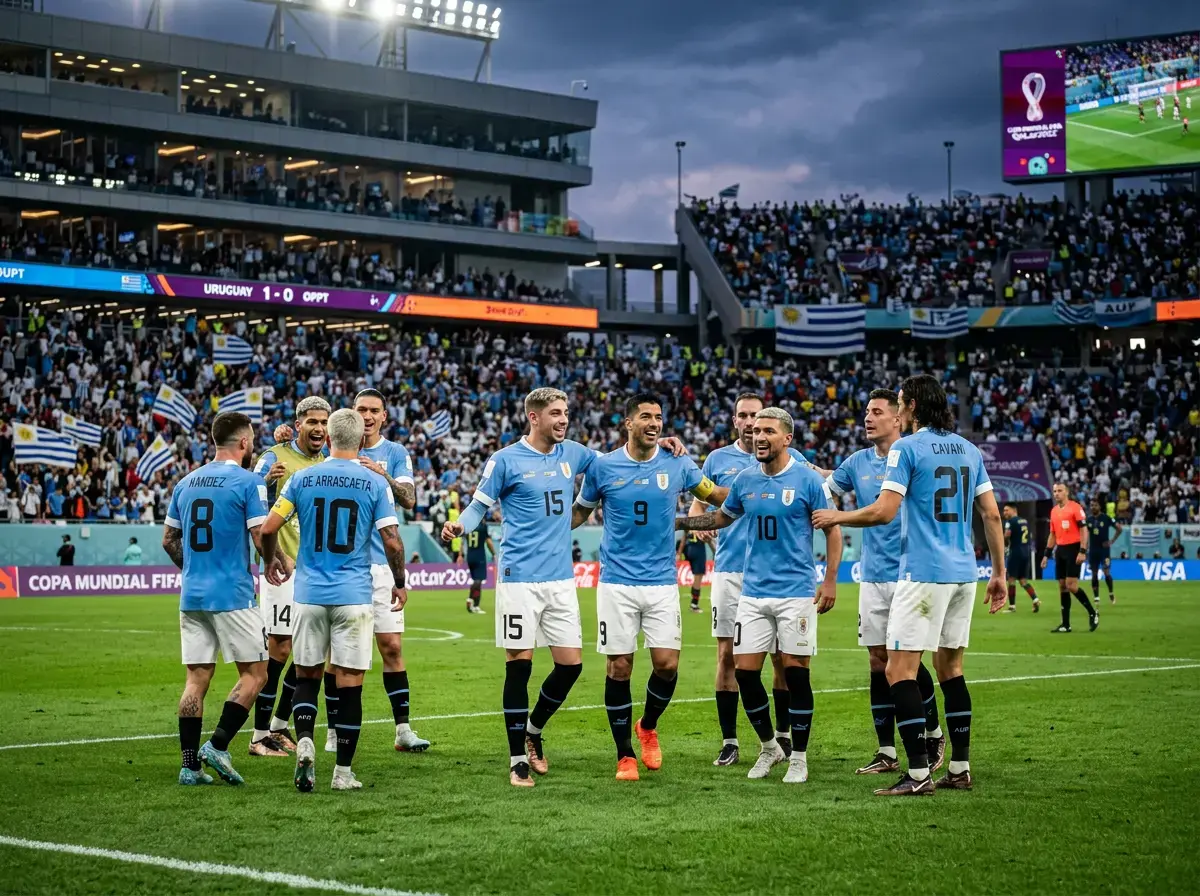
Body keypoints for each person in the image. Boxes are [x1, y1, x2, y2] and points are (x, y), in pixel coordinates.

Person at [440, 387, 684, 787]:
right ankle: (517, 760)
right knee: (519, 665)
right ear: (534, 417)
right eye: (555, 413)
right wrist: (459, 525)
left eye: (566, 412)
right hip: (519, 577)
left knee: (571, 666)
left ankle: (533, 730)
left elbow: (620, 459)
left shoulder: (575, 453)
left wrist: (657, 442)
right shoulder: (505, 460)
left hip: (560, 579)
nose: (564, 419)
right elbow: (479, 505)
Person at [813, 374, 1007, 796]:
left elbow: (884, 511)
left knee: (897, 669)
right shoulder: (969, 450)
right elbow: (992, 514)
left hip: (922, 572)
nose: (898, 409)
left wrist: (837, 517)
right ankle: (960, 768)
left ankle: (918, 773)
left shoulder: (907, 448)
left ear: (912, 406)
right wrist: (999, 573)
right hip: (964, 573)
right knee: (951, 669)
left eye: (900, 402)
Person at [677, 407, 841, 785]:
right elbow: (722, 517)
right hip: (753, 592)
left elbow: (832, 530)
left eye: (768, 431)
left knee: (795, 672)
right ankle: (769, 746)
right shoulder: (746, 479)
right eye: (756, 431)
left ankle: (799, 757)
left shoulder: (807, 480)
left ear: (787, 439)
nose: (759, 436)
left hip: (795, 593)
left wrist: (830, 580)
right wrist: (677, 522)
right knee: (745, 672)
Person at [572, 393, 728, 781]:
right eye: (645, 416)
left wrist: (756, 487)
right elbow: (579, 513)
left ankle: (648, 725)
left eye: (658, 417)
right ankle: (624, 755)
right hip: (616, 582)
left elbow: (716, 497)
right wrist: (539, 526)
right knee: (619, 666)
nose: (654, 423)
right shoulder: (603, 467)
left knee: (667, 665)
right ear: (628, 423)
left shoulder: (679, 463)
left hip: (661, 582)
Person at [260, 408, 407, 792]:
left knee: (306, 677)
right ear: (360, 440)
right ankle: (342, 772)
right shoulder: (374, 481)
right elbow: (392, 541)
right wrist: (399, 582)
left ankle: (305, 741)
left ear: (328, 438)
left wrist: (271, 559)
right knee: (350, 684)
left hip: (308, 594)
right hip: (353, 595)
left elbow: (268, 528)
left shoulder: (302, 478)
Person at [826, 388, 946, 777]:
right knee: (878, 660)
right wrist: (794, 462)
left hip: (910, 574)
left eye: (877, 411)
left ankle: (933, 733)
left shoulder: (913, 456)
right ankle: (886, 751)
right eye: (866, 411)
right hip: (873, 574)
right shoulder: (857, 462)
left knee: (905, 662)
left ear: (898, 419)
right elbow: (826, 484)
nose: (868, 417)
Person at [162, 411, 271, 786]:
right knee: (256, 674)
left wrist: (193, 569)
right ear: (244, 442)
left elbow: (168, 540)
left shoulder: (185, 483)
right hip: (233, 594)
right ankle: (219, 745)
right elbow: (260, 536)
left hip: (192, 594)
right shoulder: (249, 482)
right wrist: (276, 561)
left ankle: (189, 766)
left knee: (195, 680)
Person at [344, 389, 427, 754]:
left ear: (384, 416)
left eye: (373, 410)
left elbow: (409, 499)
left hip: (381, 566)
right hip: (346, 565)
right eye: (361, 409)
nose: (367, 416)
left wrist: (384, 476)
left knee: (392, 646)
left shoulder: (394, 453)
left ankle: (403, 730)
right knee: (341, 652)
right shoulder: (337, 447)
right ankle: (334, 730)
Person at [248, 396, 331, 757]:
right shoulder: (273, 457)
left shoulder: (329, 463)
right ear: (298, 425)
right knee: (279, 648)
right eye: (312, 421)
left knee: (311, 654)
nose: (318, 428)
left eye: (323, 422)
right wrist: (267, 485)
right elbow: (249, 498)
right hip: (281, 570)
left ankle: (279, 726)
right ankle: (258, 736)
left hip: (316, 572)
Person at [1042, 483, 1097, 633]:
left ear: (1066, 492)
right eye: (1054, 491)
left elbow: (1084, 530)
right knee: (1062, 586)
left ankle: (1093, 613)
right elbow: (1053, 534)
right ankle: (1066, 624)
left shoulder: (1075, 508)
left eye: (1059, 490)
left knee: (1071, 585)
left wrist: (1083, 550)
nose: (1056, 493)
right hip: (1060, 550)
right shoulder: (1054, 511)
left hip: (1074, 548)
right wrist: (1046, 554)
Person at [1001, 504, 1040, 612]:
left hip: (1015, 552)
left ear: (1014, 510)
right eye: (1004, 511)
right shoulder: (1025, 521)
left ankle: (1012, 606)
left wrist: (1004, 544)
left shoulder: (1010, 522)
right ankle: (1035, 599)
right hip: (1026, 552)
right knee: (1023, 580)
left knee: (1011, 579)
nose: (1004, 513)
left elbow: (1007, 535)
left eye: (1007, 510)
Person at [1086, 498, 1121, 605]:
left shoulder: (1106, 518)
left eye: (1095, 505)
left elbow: (1119, 528)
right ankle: (1096, 598)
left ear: (1100, 506)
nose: (1093, 507)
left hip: (1104, 550)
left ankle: (1111, 592)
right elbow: (1084, 533)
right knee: (1094, 574)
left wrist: (1112, 541)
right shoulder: (1089, 520)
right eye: (1091, 505)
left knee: (1106, 572)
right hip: (1093, 550)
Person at [464, 515, 495, 614]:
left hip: (469, 556)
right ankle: (471, 599)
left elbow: (462, 542)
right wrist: (494, 553)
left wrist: (460, 555)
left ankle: (475, 605)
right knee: (478, 580)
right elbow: (488, 542)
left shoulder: (469, 527)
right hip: (479, 556)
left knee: (476, 580)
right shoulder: (482, 527)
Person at [679, 531, 708, 613]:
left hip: (689, 548)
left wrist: (679, 552)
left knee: (697, 577)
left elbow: (684, 537)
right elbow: (707, 538)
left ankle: (693, 602)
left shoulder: (688, 524)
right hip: (698, 548)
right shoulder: (702, 524)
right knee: (698, 578)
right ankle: (694, 604)